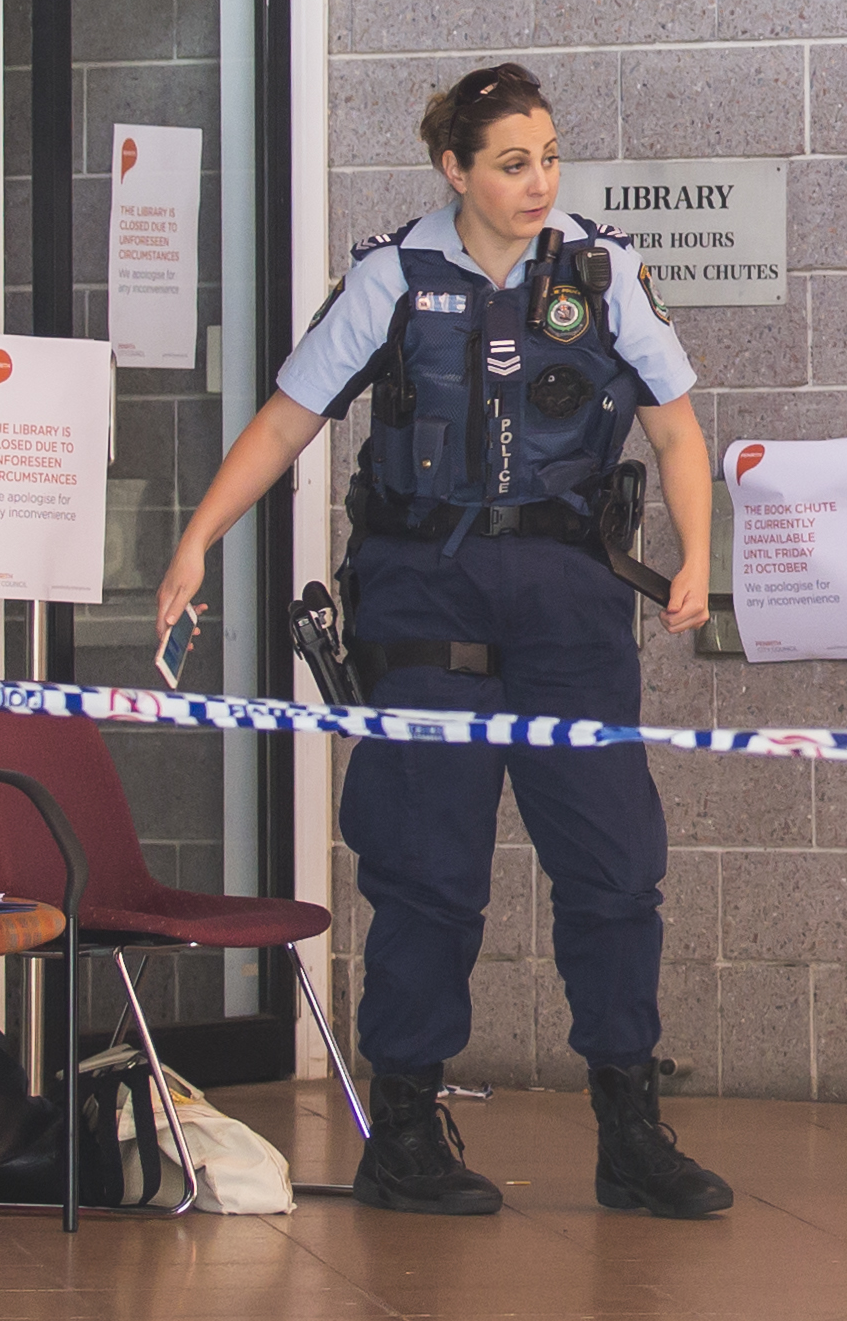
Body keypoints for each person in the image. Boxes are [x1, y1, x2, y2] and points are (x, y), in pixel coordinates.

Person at [147, 62, 735, 1222]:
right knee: (425, 871)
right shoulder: (391, 276)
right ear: (453, 169)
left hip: (571, 603)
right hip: (426, 599)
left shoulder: (602, 269)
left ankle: (629, 1122)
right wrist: (196, 539)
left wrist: (699, 559)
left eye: (551, 156)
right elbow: (285, 420)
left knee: (615, 870)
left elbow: (675, 430)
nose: (538, 181)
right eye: (512, 161)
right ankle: (406, 1124)